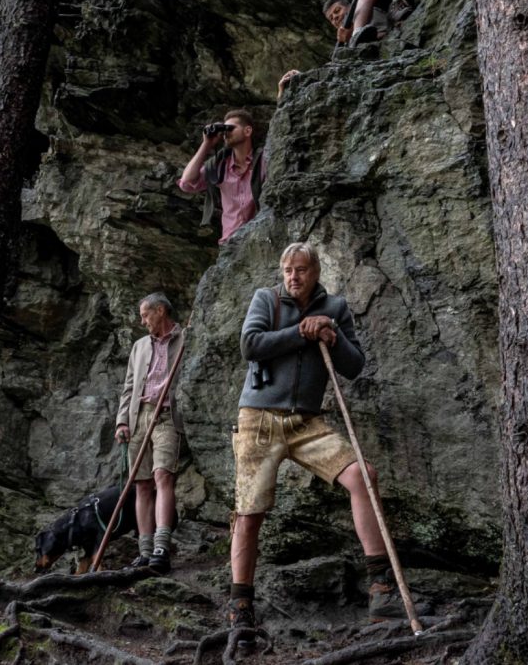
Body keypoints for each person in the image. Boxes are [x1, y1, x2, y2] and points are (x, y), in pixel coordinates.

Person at [225, 243, 404, 636]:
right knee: (249, 509)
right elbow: (249, 344)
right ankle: (240, 607)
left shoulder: (336, 308)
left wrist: (332, 335)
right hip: (259, 418)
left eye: (301, 270)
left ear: (315, 271)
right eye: (288, 269)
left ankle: (381, 591)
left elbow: (355, 367)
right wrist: (300, 332)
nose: (293, 276)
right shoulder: (266, 299)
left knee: (363, 476)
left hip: (307, 422)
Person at [114, 293, 186, 573]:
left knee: (162, 475)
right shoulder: (139, 346)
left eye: (145, 315)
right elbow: (129, 387)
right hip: (139, 417)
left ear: (160, 311)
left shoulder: (185, 339)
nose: (142, 321)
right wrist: (122, 422)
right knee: (141, 483)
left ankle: (161, 546)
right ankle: (144, 551)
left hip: (168, 415)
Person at [178, 109, 265, 244]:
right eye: (224, 129)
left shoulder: (263, 160)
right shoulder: (219, 165)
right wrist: (207, 143)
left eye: (230, 128)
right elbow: (187, 183)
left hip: (259, 238)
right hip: (230, 243)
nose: (226, 133)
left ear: (247, 131)